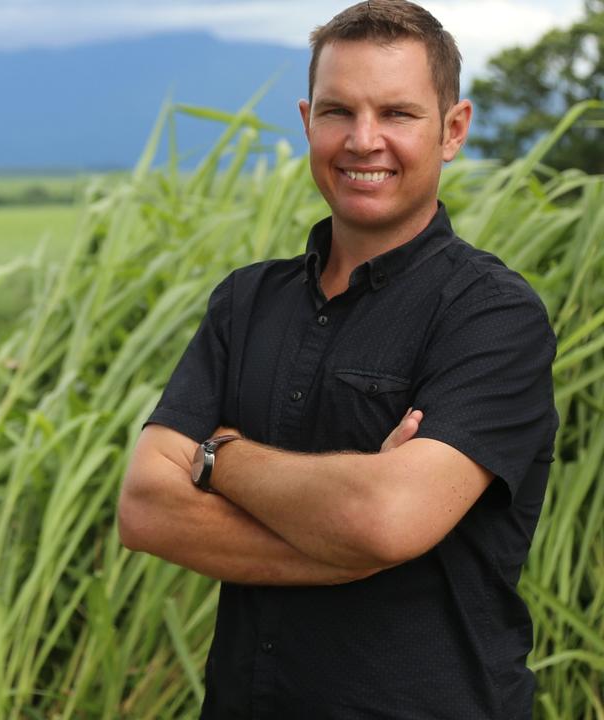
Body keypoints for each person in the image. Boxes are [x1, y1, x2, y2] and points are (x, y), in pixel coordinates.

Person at [116, 1, 559, 717]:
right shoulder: (244, 302)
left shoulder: (492, 315)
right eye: (337, 111)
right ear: (306, 121)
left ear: (453, 130)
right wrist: (347, 544)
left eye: (397, 114)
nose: (363, 140)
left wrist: (218, 458)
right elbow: (143, 509)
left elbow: (385, 517)